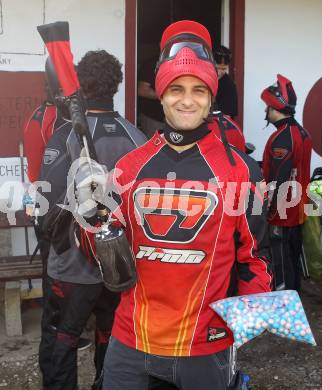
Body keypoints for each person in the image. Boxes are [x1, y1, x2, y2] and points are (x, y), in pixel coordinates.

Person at [77, 21, 272, 390]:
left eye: (199, 89)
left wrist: (243, 323)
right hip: (131, 340)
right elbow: (102, 257)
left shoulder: (242, 171)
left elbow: (256, 258)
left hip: (204, 345)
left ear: (212, 96)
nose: (187, 99)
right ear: (161, 93)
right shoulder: (129, 167)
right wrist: (90, 218)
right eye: (176, 88)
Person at [37, 50, 147, 390]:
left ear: (79, 84)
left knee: (62, 339)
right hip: (119, 265)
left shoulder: (68, 134)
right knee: (110, 337)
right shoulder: (138, 138)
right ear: (116, 84)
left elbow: (45, 207)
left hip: (72, 265)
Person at [261, 74, 312, 291]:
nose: (265, 111)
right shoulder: (299, 131)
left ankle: (283, 314)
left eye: (267, 107)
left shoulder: (284, 138)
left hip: (283, 214)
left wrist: (267, 211)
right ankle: (293, 305)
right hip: (296, 210)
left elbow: (279, 181)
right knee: (291, 262)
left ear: (275, 108)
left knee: (281, 265)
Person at [138, 57, 165, 138]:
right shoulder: (152, 64)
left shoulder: (182, 64)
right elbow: (142, 90)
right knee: (154, 148)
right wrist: (167, 95)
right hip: (153, 119)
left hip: (175, 119)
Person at [213, 45, 238, 118]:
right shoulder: (201, 79)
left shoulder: (229, 85)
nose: (219, 72)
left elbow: (227, 117)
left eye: (223, 69)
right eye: (217, 68)